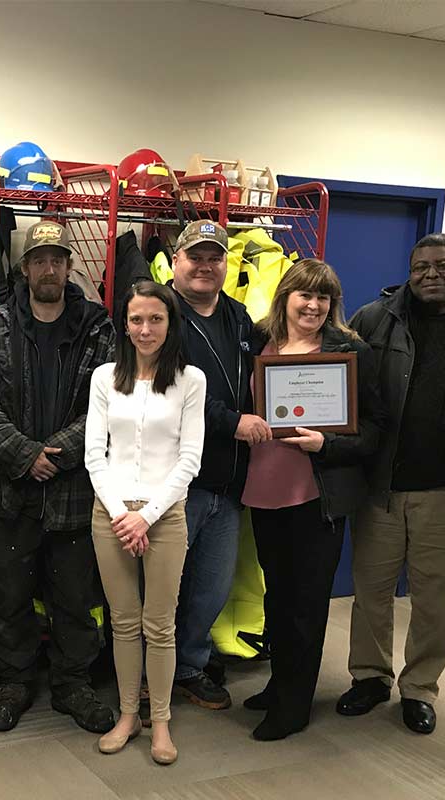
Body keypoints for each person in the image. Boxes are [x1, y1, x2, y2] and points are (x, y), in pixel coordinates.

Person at [339, 234, 445, 734]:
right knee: (371, 589)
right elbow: (339, 382)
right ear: (409, 270)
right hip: (382, 486)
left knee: (434, 599)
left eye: (442, 265)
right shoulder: (374, 319)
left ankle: (419, 688)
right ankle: (370, 677)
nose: (430, 275)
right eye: (420, 267)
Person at [0, 220, 116, 734]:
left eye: (58, 259)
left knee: (75, 598)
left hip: (74, 492)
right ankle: (14, 684)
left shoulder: (99, 328)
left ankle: (74, 685)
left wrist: (60, 451)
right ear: (24, 268)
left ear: (70, 266)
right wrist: (26, 454)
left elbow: (107, 402)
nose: (49, 269)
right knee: (9, 599)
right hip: (9, 491)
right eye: (39, 260)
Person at [240, 258, 383, 741]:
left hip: (315, 497)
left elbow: (373, 432)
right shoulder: (259, 343)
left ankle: (294, 704)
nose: (314, 305)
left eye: (324, 297)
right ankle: (281, 683)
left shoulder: (349, 352)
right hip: (264, 490)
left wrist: (329, 444)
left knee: (305, 604)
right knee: (276, 597)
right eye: (305, 294)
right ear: (285, 297)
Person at [85, 281, 205, 765]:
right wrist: (121, 515)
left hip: (165, 513)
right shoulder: (104, 377)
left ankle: (161, 723)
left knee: (160, 625)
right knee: (123, 622)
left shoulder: (189, 380)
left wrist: (146, 517)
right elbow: (95, 455)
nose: (145, 328)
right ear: (125, 324)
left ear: (170, 323)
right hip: (111, 513)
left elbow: (190, 458)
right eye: (136, 319)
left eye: (156, 319)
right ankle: (127, 715)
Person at [168, 220, 270, 711]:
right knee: (161, 585)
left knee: (210, 587)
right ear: (175, 259)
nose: (205, 266)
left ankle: (188, 665)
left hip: (229, 482)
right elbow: (166, 391)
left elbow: (262, 384)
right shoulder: (158, 314)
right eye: (196, 256)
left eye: (215, 257)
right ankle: (148, 674)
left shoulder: (239, 317)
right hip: (175, 481)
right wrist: (232, 423)